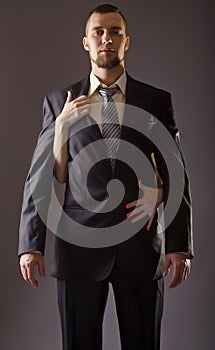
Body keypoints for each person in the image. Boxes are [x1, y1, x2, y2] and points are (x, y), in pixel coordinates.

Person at [18, 4, 193, 350]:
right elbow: (41, 175)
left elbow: (176, 173)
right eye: (98, 32)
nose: (107, 39)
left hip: (141, 247)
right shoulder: (59, 102)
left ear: (128, 41)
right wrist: (30, 245)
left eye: (115, 32)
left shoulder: (156, 101)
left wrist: (178, 245)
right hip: (78, 250)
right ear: (86, 42)